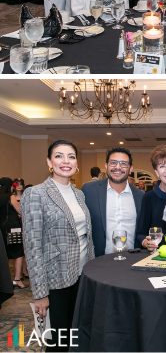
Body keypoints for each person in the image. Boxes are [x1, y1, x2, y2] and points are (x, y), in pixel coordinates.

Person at [21, 140, 94, 352]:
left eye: (71, 156)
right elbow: (32, 246)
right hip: (54, 280)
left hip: (80, 275)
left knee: (75, 333)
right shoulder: (36, 194)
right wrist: (40, 294)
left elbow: (84, 236)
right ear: (49, 162)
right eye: (59, 156)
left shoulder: (79, 194)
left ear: (76, 163)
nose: (65, 161)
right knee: (57, 341)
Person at [81, 147, 144, 258]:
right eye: (113, 163)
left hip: (132, 260)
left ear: (130, 169)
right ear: (106, 166)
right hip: (98, 262)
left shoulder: (141, 196)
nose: (117, 167)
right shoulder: (89, 190)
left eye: (123, 164)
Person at [0, 178, 25, 289]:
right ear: (10, 186)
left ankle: (4, 281)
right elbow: (20, 210)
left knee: (3, 254)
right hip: (13, 228)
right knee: (19, 253)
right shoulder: (11, 197)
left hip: (2, 229)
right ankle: (17, 279)